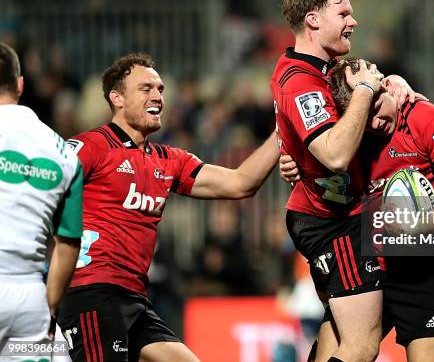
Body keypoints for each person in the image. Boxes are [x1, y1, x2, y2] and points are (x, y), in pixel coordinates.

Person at [57, 53, 280, 362]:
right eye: (145, 88)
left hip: (135, 300)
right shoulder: (92, 147)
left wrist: (285, 131)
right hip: (93, 293)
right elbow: (44, 191)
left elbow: (241, 182)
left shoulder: (170, 160)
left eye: (160, 89)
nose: (158, 96)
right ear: (117, 97)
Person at [283, 59, 434, 362]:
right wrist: (296, 165)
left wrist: (413, 230)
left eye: (379, 106)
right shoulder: (347, 136)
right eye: (367, 114)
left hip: (428, 271)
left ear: (389, 87)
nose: (376, 121)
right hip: (367, 270)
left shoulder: (431, 120)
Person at [271, 0, 388, 362]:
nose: (353, 21)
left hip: (326, 214)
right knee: (362, 346)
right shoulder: (300, 81)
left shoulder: (316, 71)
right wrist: (367, 91)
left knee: (338, 338)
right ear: (313, 20)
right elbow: (335, 154)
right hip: (333, 221)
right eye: (343, 14)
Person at [0, 42, 82, 359]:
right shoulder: (63, 151)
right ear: (21, 85)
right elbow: (69, 243)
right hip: (29, 303)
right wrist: (46, 306)